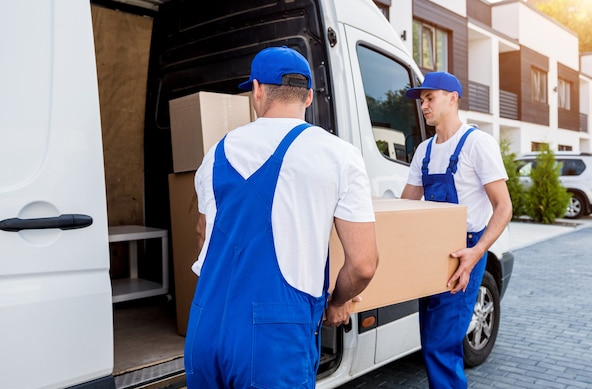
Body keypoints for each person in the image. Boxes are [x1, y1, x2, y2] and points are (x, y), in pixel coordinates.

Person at [184, 46, 379, 389]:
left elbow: (204, 235)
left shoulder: (215, 153)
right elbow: (363, 264)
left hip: (206, 327)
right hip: (275, 341)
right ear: (307, 98)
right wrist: (337, 303)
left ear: (257, 90)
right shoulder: (338, 155)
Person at [402, 71, 512, 388]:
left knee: (442, 346)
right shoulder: (424, 151)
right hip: (431, 252)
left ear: (453, 98)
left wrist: (476, 254)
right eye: (421, 100)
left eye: (430, 97)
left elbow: (503, 207)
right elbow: (406, 205)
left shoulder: (478, 144)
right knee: (431, 340)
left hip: (464, 253)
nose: (423, 105)